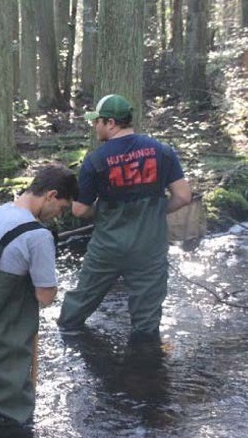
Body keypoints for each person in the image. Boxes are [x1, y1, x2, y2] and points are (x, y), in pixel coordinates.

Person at [57, 94, 192, 343]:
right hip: (150, 247)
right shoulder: (162, 152)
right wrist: (153, 212)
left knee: (77, 309)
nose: (94, 126)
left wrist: (106, 214)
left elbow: (79, 210)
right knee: (146, 323)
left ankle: (69, 341)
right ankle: (145, 372)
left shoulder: (96, 160)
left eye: (96, 121)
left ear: (110, 123)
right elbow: (183, 196)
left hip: (108, 246)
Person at [0, 164, 79, 426]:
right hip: (0, 343)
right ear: (51, 195)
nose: (58, 215)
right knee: (15, 423)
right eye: (62, 207)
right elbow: (45, 296)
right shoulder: (37, 235)